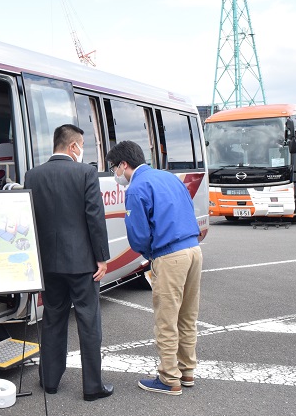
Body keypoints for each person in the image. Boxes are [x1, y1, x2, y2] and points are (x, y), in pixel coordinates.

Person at [23, 124, 113, 401]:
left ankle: (49, 381)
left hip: (48, 263)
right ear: (73, 146)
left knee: (52, 318)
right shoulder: (85, 172)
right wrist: (102, 258)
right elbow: (94, 217)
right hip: (82, 262)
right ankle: (92, 386)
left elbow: (30, 220)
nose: (82, 149)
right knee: (88, 321)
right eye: (81, 144)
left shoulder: (32, 175)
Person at [105, 140, 202, 396]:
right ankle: (187, 371)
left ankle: (169, 378)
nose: (115, 173)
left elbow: (138, 236)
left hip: (169, 255)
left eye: (114, 167)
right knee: (187, 316)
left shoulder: (136, 189)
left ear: (124, 164)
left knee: (166, 320)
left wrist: (152, 256)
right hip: (194, 250)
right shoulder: (169, 177)